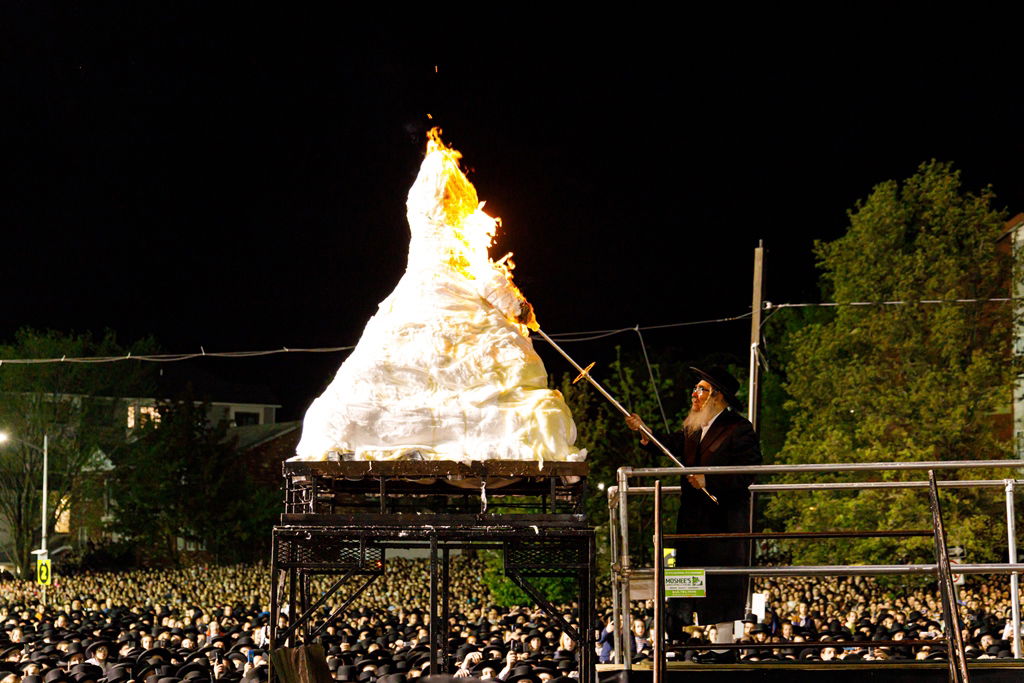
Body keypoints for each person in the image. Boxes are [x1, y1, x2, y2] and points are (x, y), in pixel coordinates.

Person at [626, 366, 762, 643]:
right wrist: (645, 432)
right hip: (691, 517)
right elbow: (667, 445)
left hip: (723, 520)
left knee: (720, 584)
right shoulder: (692, 428)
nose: (694, 394)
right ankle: (678, 639)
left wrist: (710, 481)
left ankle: (723, 648)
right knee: (682, 575)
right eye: (696, 388)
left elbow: (749, 469)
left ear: (718, 396)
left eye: (702, 389)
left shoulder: (739, 428)